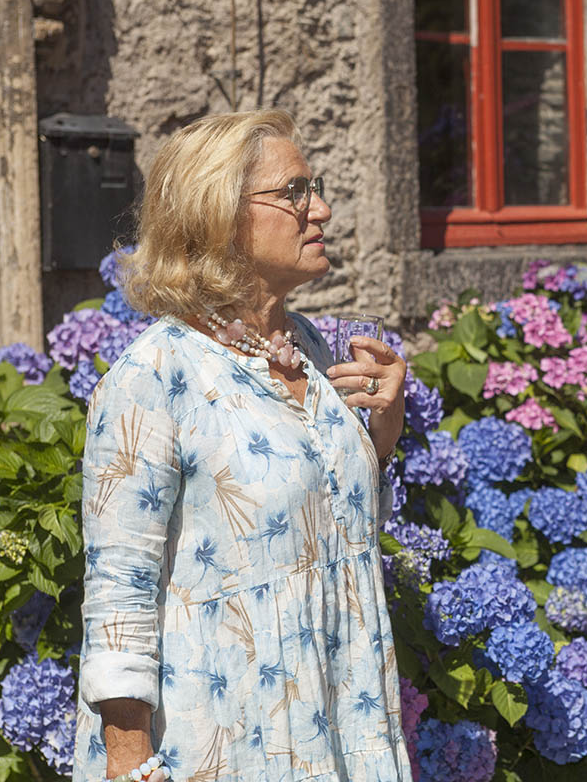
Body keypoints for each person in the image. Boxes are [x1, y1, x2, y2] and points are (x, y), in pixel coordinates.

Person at [74, 110, 411, 781]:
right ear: (217, 216)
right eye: (293, 193)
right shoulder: (156, 376)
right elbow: (120, 593)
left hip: (340, 724)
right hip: (224, 743)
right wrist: (129, 762)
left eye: (314, 189)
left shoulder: (312, 352)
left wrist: (382, 436)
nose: (322, 211)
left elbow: (333, 543)